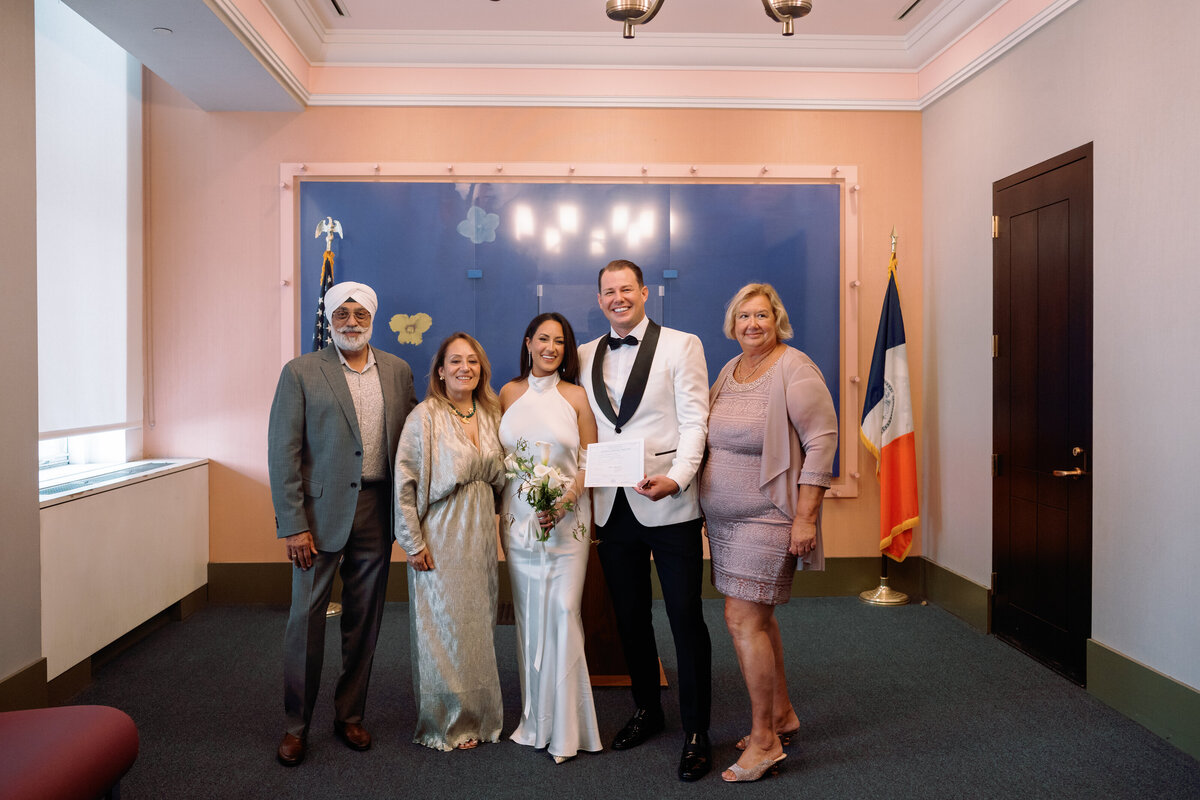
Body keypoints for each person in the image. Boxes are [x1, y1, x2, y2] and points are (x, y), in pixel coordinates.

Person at [268, 281, 417, 766]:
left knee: (364, 620)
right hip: (317, 516)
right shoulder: (301, 372)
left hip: (377, 509)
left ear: (373, 317)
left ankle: (349, 715)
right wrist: (293, 524)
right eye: (341, 315)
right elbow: (283, 451)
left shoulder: (398, 371)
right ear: (329, 320)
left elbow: (413, 444)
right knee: (305, 621)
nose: (351, 322)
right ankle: (296, 725)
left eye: (359, 314)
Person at [578, 259, 713, 782]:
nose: (617, 298)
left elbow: (696, 420)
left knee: (684, 616)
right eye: (608, 291)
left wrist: (678, 479)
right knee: (630, 617)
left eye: (626, 289)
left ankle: (697, 730)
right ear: (600, 299)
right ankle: (647, 710)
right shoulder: (587, 353)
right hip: (612, 506)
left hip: (669, 501)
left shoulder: (683, 345)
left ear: (644, 292)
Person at [699, 283, 838, 783]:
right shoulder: (728, 371)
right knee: (758, 619)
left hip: (768, 516)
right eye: (744, 317)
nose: (752, 325)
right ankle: (782, 713)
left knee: (742, 620)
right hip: (725, 522)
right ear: (732, 324)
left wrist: (806, 516)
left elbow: (822, 441)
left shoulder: (793, 368)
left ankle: (764, 741)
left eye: (762, 316)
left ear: (777, 319)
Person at [393, 332, 508, 751]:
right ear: (440, 371)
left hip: (479, 531)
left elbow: (506, 477)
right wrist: (412, 541)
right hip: (439, 532)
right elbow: (404, 483)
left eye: (473, 362)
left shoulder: (494, 414)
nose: (465, 368)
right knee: (443, 627)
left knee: (477, 626)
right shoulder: (424, 416)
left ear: (482, 370)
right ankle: (447, 722)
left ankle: (480, 716)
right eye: (455, 361)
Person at [498, 312, 603, 764]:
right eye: (543, 339)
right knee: (530, 616)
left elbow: (590, 460)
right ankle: (535, 719)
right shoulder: (507, 392)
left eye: (559, 342)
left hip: (568, 521)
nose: (551, 348)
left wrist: (563, 501)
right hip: (519, 520)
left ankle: (568, 730)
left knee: (562, 611)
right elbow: (496, 455)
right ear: (527, 343)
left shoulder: (577, 396)